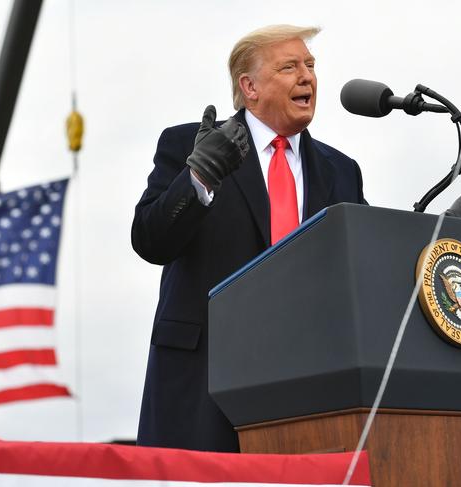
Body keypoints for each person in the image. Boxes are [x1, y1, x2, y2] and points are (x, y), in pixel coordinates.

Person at [132, 24, 367, 453]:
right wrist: (199, 176)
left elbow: (366, 261)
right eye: (290, 67)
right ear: (250, 86)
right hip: (204, 385)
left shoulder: (341, 170)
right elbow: (150, 241)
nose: (307, 77)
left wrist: (439, 233)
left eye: (311, 66)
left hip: (310, 391)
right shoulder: (189, 144)